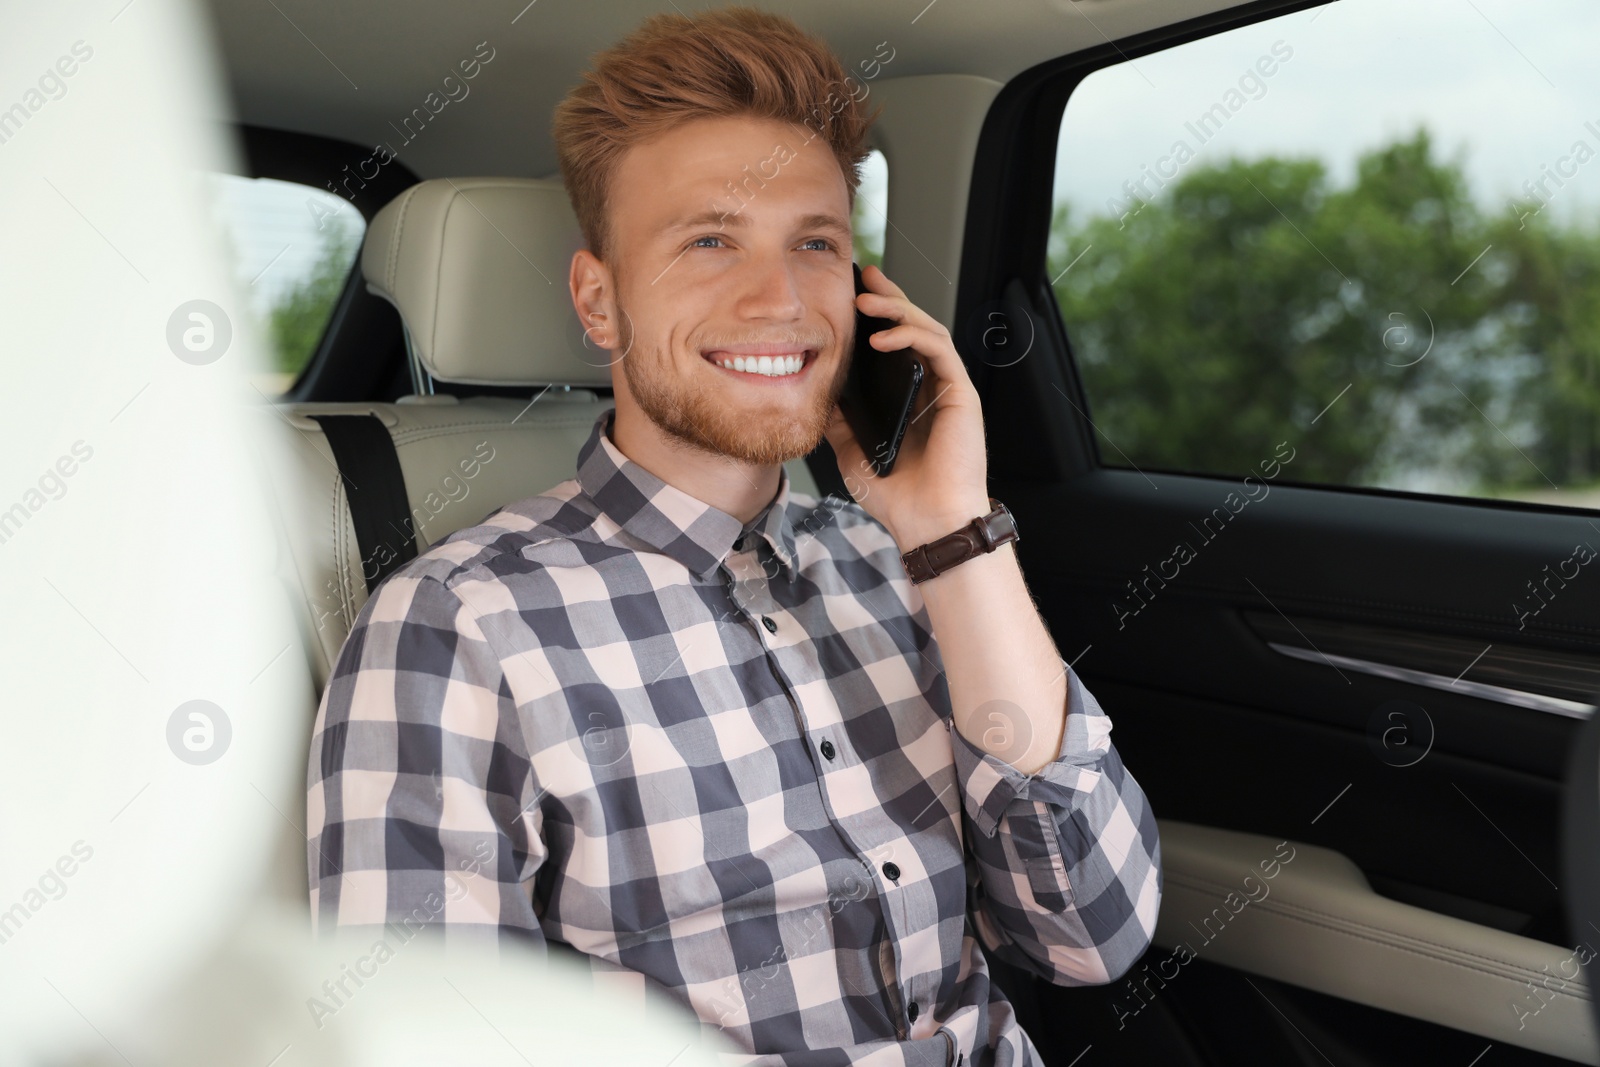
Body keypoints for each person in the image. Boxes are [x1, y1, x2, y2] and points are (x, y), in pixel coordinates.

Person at [305, 8, 1161, 1064]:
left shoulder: (907, 565)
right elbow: (416, 1040)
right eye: (711, 240)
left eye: (816, 244)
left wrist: (951, 532)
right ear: (599, 299)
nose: (781, 299)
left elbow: (1094, 934)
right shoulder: (457, 627)